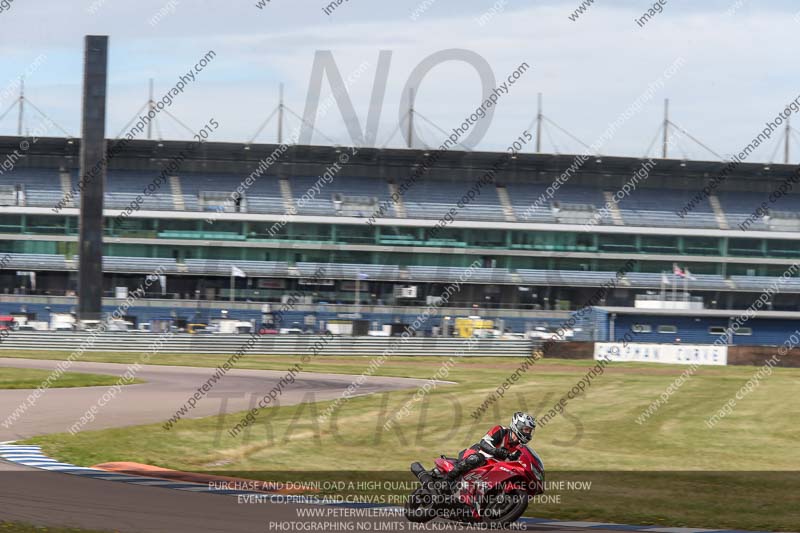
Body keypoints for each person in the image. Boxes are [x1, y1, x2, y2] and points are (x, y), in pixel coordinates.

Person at [443, 412, 536, 488]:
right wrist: (496, 451)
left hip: (491, 468)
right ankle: (447, 480)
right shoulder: (501, 431)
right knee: (477, 458)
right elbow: (483, 443)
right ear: (518, 426)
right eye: (526, 429)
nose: (528, 433)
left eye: (530, 431)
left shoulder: (519, 448)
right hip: (476, 454)